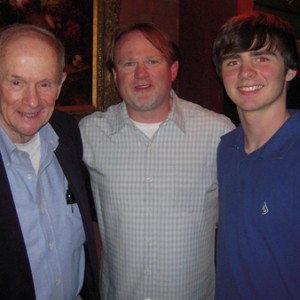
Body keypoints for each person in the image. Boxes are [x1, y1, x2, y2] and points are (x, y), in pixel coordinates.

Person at [79, 23, 234, 300]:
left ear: (173, 70)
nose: (141, 74)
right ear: (115, 75)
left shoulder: (218, 133)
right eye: (128, 64)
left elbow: (237, 221)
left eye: (152, 61)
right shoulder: (88, 134)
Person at [0, 24, 100, 299]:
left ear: (60, 85)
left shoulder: (67, 133)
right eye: (16, 82)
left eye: (44, 84)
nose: (32, 101)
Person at [212, 11, 300, 299]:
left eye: (262, 58)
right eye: (233, 61)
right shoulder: (226, 148)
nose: (245, 73)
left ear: (290, 69)